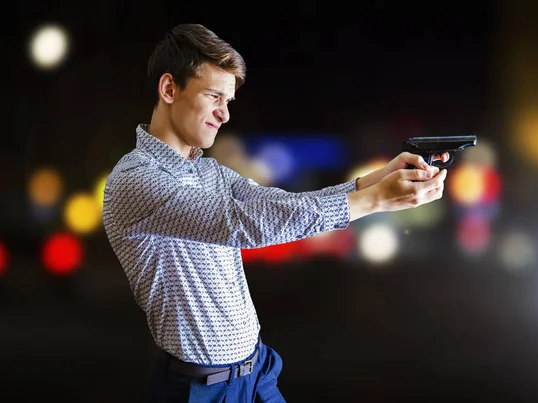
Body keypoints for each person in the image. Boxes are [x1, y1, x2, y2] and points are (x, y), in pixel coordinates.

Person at [102, 23, 449, 403]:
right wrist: (376, 201)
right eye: (214, 96)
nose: (224, 115)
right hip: (199, 390)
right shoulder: (134, 180)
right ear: (169, 89)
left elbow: (277, 205)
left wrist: (379, 178)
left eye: (229, 102)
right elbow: (242, 225)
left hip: (257, 374)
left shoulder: (207, 171)